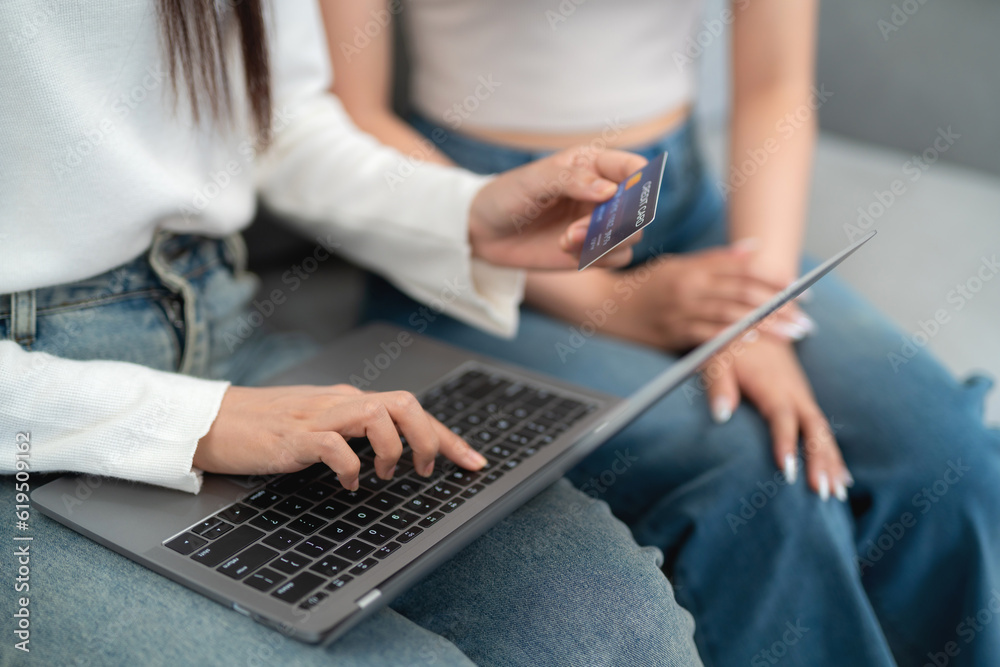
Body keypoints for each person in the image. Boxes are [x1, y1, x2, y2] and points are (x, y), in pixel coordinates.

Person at [0, 1, 704, 665]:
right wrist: (198, 421)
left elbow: (283, 126)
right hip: (32, 412)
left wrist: (469, 210)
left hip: (223, 329)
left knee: (624, 634)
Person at [322, 0, 1000, 664]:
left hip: (683, 208)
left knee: (947, 448)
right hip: (464, 224)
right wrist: (608, 299)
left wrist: (754, 310)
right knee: (753, 476)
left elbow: (776, 82)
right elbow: (354, 116)